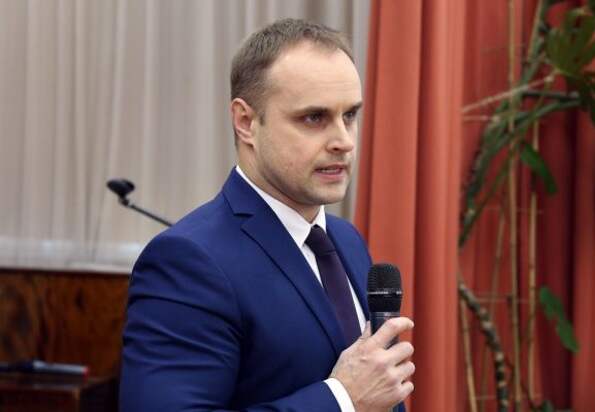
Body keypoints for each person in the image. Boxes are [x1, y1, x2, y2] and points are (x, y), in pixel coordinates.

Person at [120, 18, 415, 412]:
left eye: (349, 115)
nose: (343, 141)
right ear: (246, 122)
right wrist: (341, 399)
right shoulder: (187, 262)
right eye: (314, 118)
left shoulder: (346, 240)